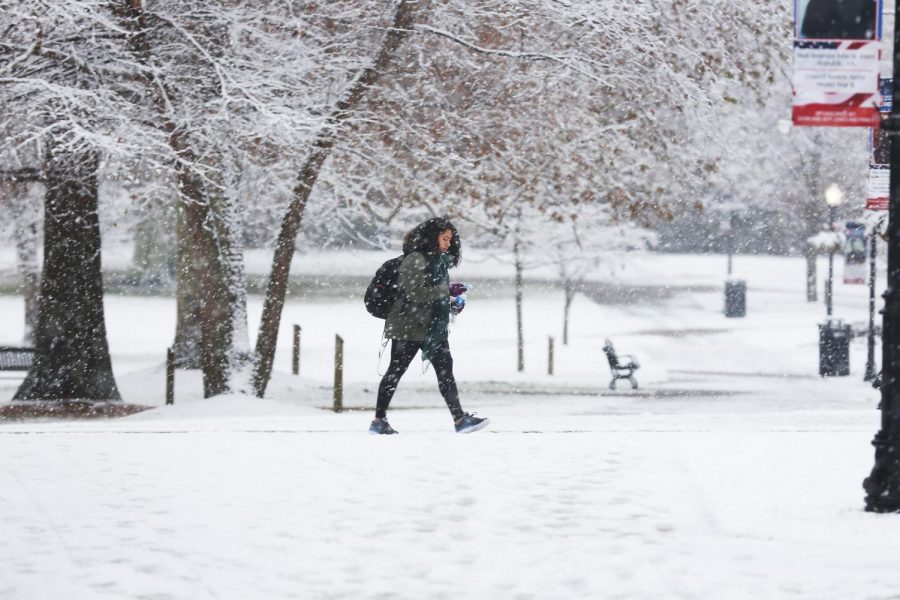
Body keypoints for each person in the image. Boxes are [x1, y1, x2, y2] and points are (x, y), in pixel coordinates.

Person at [369, 217, 489, 435]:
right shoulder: (416, 259)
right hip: (409, 326)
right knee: (395, 372)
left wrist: (452, 303)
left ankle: (459, 419)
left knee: (445, 372)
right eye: (444, 239)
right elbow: (415, 293)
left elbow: (432, 294)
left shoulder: (437, 261)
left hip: (432, 328)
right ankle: (379, 420)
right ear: (432, 237)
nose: (448, 244)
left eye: (450, 240)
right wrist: (446, 291)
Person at [799, 0, 877, 40]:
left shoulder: (866, 4)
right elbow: (807, 36)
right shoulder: (817, 3)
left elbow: (873, 35)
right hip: (822, 61)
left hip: (858, 61)